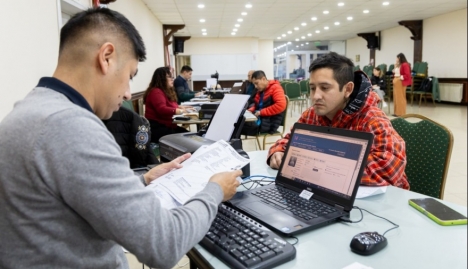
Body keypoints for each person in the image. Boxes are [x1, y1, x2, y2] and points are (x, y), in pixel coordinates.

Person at [0, 8, 241, 269]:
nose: (128, 94)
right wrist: (215, 190)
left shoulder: (30, 109)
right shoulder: (71, 126)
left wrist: (144, 179)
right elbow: (164, 244)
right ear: (106, 57)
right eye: (129, 76)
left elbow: (67, 197)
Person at [268, 52, 409, 190]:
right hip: (324, 196)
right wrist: (278, 152)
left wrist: (322, 165)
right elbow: (287, 140)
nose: (316, 96)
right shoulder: (311, 115)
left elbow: (389, 170)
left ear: (347, 89)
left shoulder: (372, 119)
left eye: (325, 88)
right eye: (312, 88)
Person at [144, 66, 193, 143]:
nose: (172, 79)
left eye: (172, 77)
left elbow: (169, 105)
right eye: (169, 77)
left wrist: (181, 107)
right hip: (159, 129)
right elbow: (162, 109)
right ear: (161, 79)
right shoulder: (156, 92)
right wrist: (180, 111)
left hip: (167, 126)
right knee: (189, 139)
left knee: (191, 136)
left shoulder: (164, 91)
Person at [241, 70, 286, 136]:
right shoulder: (261, 90)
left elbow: (281, 105)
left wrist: (261, 112)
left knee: (237, 126)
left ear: (263, 79)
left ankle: (235, 145)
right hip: (260, 120)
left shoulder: (276, 88)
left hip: (267, 124)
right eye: (254, 84)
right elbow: (257, 105)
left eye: (256, 83)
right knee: (238, 123)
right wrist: (251, 110)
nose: (255, 86)